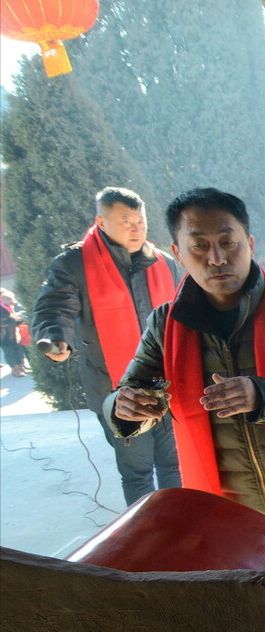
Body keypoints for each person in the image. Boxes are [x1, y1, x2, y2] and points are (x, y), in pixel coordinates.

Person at [102, 188, 265, 562]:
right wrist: (123, 408)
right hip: (229, 510)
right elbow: (131, 390)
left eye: (228, 242)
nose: (217, 258)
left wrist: (262, 396)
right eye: (199, 246)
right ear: (177, 253)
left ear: (250, 243)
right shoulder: (165, 325)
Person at [32, 187, 182, 506]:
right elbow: (55, 305)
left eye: (140, 220)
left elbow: (184, 313)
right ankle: (145, 536)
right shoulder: (74, 264)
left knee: (175, 465)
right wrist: (56, 337)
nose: (136, 227)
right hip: (115, 389)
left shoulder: (163, 263)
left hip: (168, 386)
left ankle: (181, 525)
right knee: (138, 472)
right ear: (100, 222)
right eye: (125, 220)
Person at [1, 288, 29, 377]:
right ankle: (15, 370)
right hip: (4, 336)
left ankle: (20, 367)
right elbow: (4, 322)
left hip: (14, 334)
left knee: (18, 350)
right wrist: (15, 319)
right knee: (10, 352)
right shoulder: (2, 309)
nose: (13, 301)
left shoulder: (8, 307)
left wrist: (19, 319)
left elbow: (13, 319)